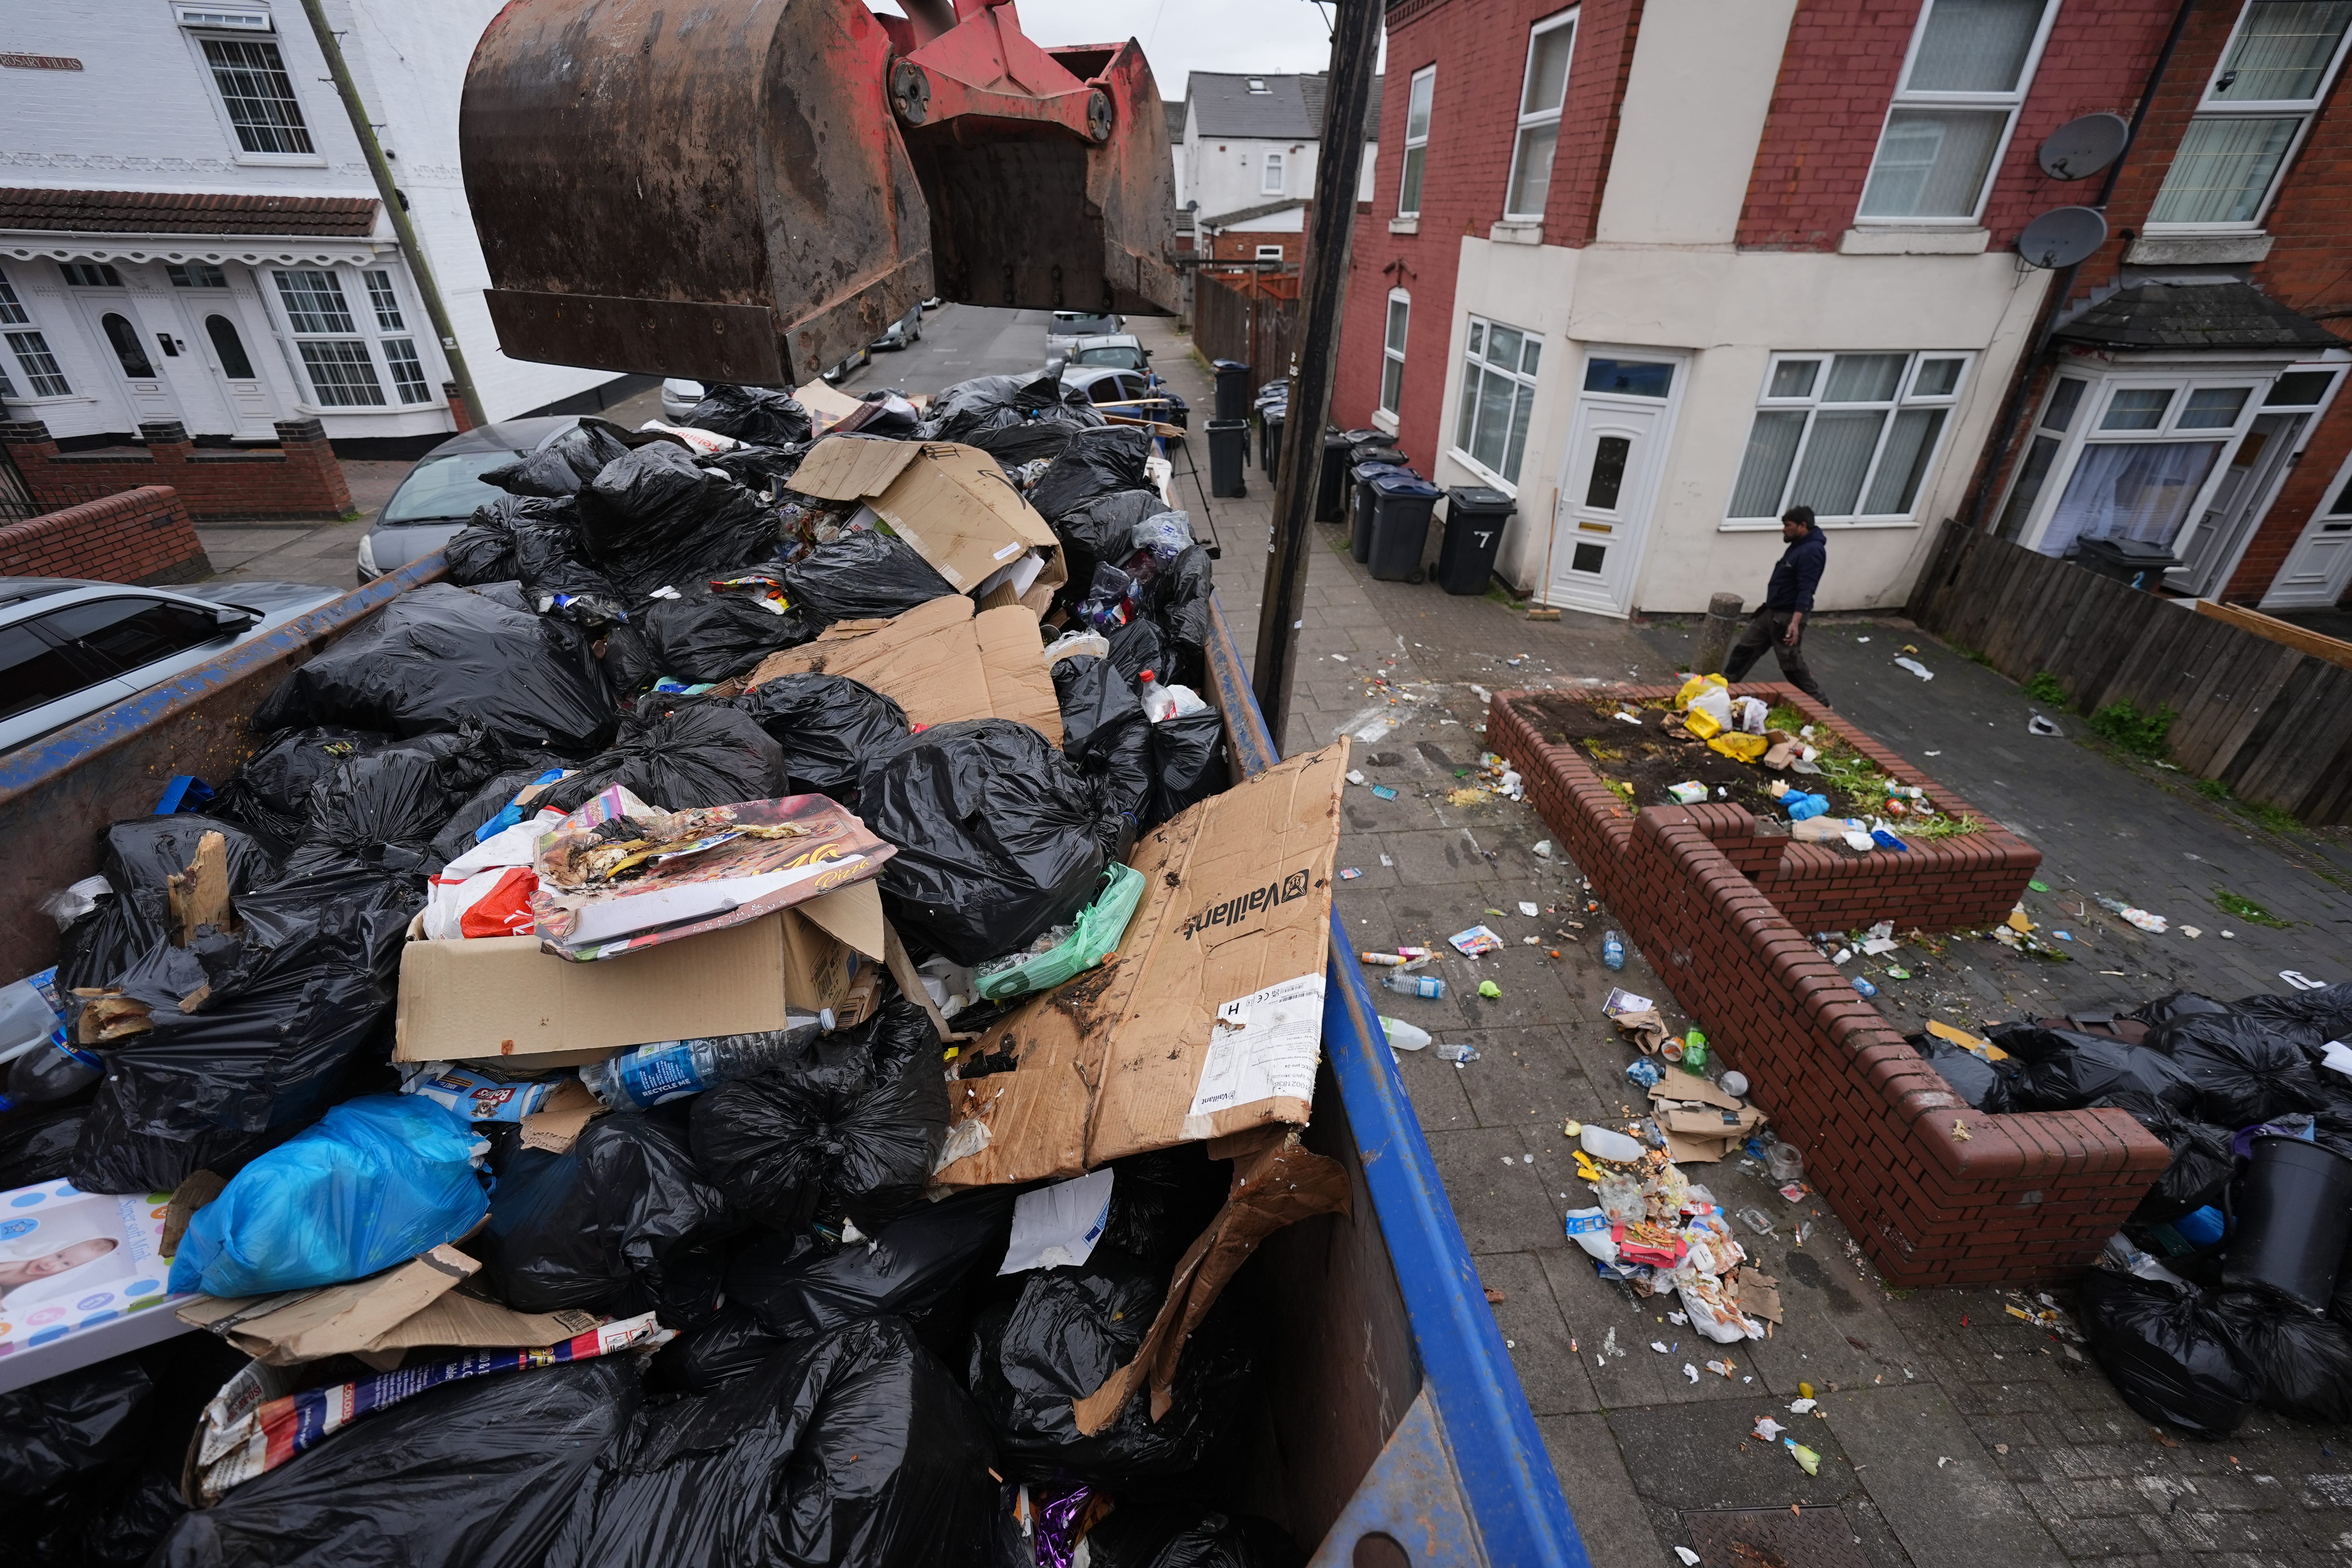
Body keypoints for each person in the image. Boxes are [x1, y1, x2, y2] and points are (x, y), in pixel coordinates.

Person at [1723, 505, 1828, 705]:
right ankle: (1725, 688)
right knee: (1745, 648)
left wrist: (1795, 622)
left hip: (1788, 617)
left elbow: (1807, 588)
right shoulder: (1800, 545)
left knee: (1791, 663)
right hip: (1771, 612)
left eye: (1788, 525)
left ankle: (1820, 705)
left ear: (1802, 526)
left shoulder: (1812, 551)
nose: (1784, 529)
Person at [0, 1235, 117, 1300]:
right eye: (59, 1255)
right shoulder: (18, 1263)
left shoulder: (41, 1284)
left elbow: (15, 1303)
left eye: (66, 1264)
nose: (51, 1264)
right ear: (51, 1249)